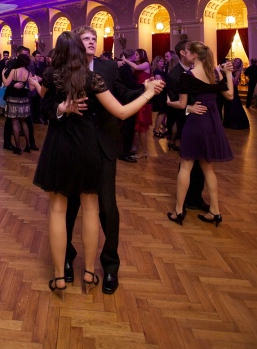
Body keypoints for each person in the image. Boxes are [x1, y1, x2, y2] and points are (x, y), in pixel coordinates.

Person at [32, 31, 163, 299]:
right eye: (86, 38)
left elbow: (45, 99)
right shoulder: (91, 79)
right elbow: (122, 111)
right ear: (78, 48)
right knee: (87, 209)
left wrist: (60, 107)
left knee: (75, 210)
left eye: (94, 37)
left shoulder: (56, 74)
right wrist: (149, 94)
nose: (92, 41)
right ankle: (88, 272)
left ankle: (62, 276)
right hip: (85, 145)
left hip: (67, 146)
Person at [167, 42, 234, 227]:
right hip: (213, 122)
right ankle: (215, 211)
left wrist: (170, 103)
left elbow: (182, 104)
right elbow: (230, 96)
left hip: (196, 122)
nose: (186, 54)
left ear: (194, 55)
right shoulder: (215, 74)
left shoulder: (187, 76)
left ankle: (178, 211)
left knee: (186, 166)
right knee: (208, 168)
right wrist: (228, 74)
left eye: (188, 52)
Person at [166, 39, 210, 211]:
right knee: (187, 162)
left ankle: (196, 197)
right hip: (187, 123)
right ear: (183, 53)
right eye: (190, 50)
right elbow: (172, 103)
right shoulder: (174, 75)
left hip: (203, 122)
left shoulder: (200, 71)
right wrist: (187, 108)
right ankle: (184, 199)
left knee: (202, 162)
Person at [120, 49, 152, 157]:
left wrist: (124, 60)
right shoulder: (135, 65)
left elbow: (137, 68)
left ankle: (145, 151)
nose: (135, 56)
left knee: (142, 125)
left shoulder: (146, 64)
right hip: (137, 94)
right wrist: (120, 62)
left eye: (137, 54)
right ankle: (135, 148)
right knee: (137, 124)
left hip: (143, 94)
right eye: (135, 54)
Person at [2, 52, 32, 154]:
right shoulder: (28, 73)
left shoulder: (14, 71)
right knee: (23, 122)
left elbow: (6, 83)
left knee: (15, 123)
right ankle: (28, 145)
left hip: (13, 99)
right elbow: (31, 88)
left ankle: (18, 147)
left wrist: (2, 74)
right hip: (24, 99)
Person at [223, 58, 249, 130]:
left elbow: (234, 82)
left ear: (239, 64)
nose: (236, 63)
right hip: (226, 89)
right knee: (227, 105)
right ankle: (227, 122)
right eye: (236, 61)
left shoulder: (238, 71)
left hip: (233, 89)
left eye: (238, 62)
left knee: (234, 105)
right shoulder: (228, 68)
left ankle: (234, 123)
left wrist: (229, 77)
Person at [150, 55, 168, 137]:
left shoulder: (161, 70)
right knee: (162, 112)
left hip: (162, 93)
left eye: (162, 61)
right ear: (156, 62)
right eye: (160, 61)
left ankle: (156, 129)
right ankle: (156, 130)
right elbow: (160, 82)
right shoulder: (157, 71)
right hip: (160, 94)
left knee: (162, 112)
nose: (162, 62)